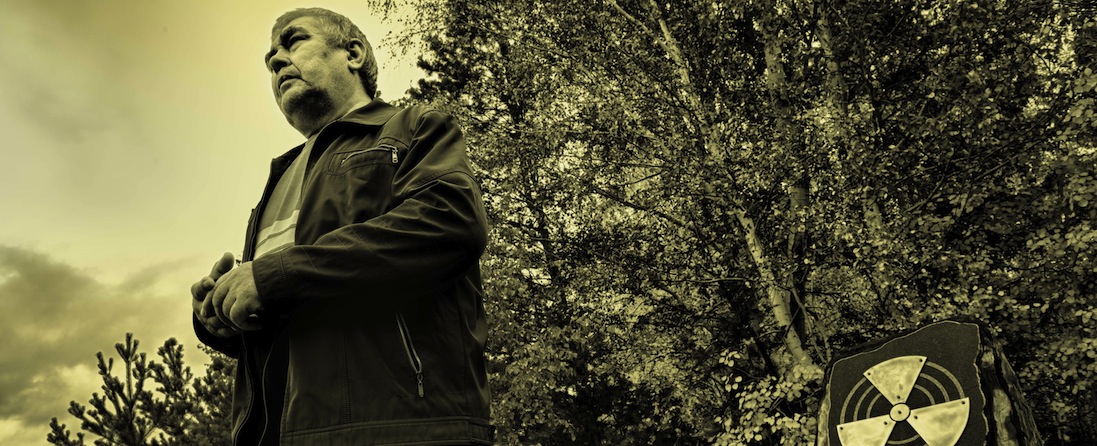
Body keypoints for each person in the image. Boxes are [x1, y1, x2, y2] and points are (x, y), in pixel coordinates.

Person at [188, 7, 493, 445]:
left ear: (353, 54)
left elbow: (450, 223)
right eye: (270, 59)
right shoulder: (278, 181)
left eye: (294, 41)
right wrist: (222, 315)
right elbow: (292, 310)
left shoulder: (413, 126)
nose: (276, 60)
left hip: (401, 430)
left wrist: (272, 275)